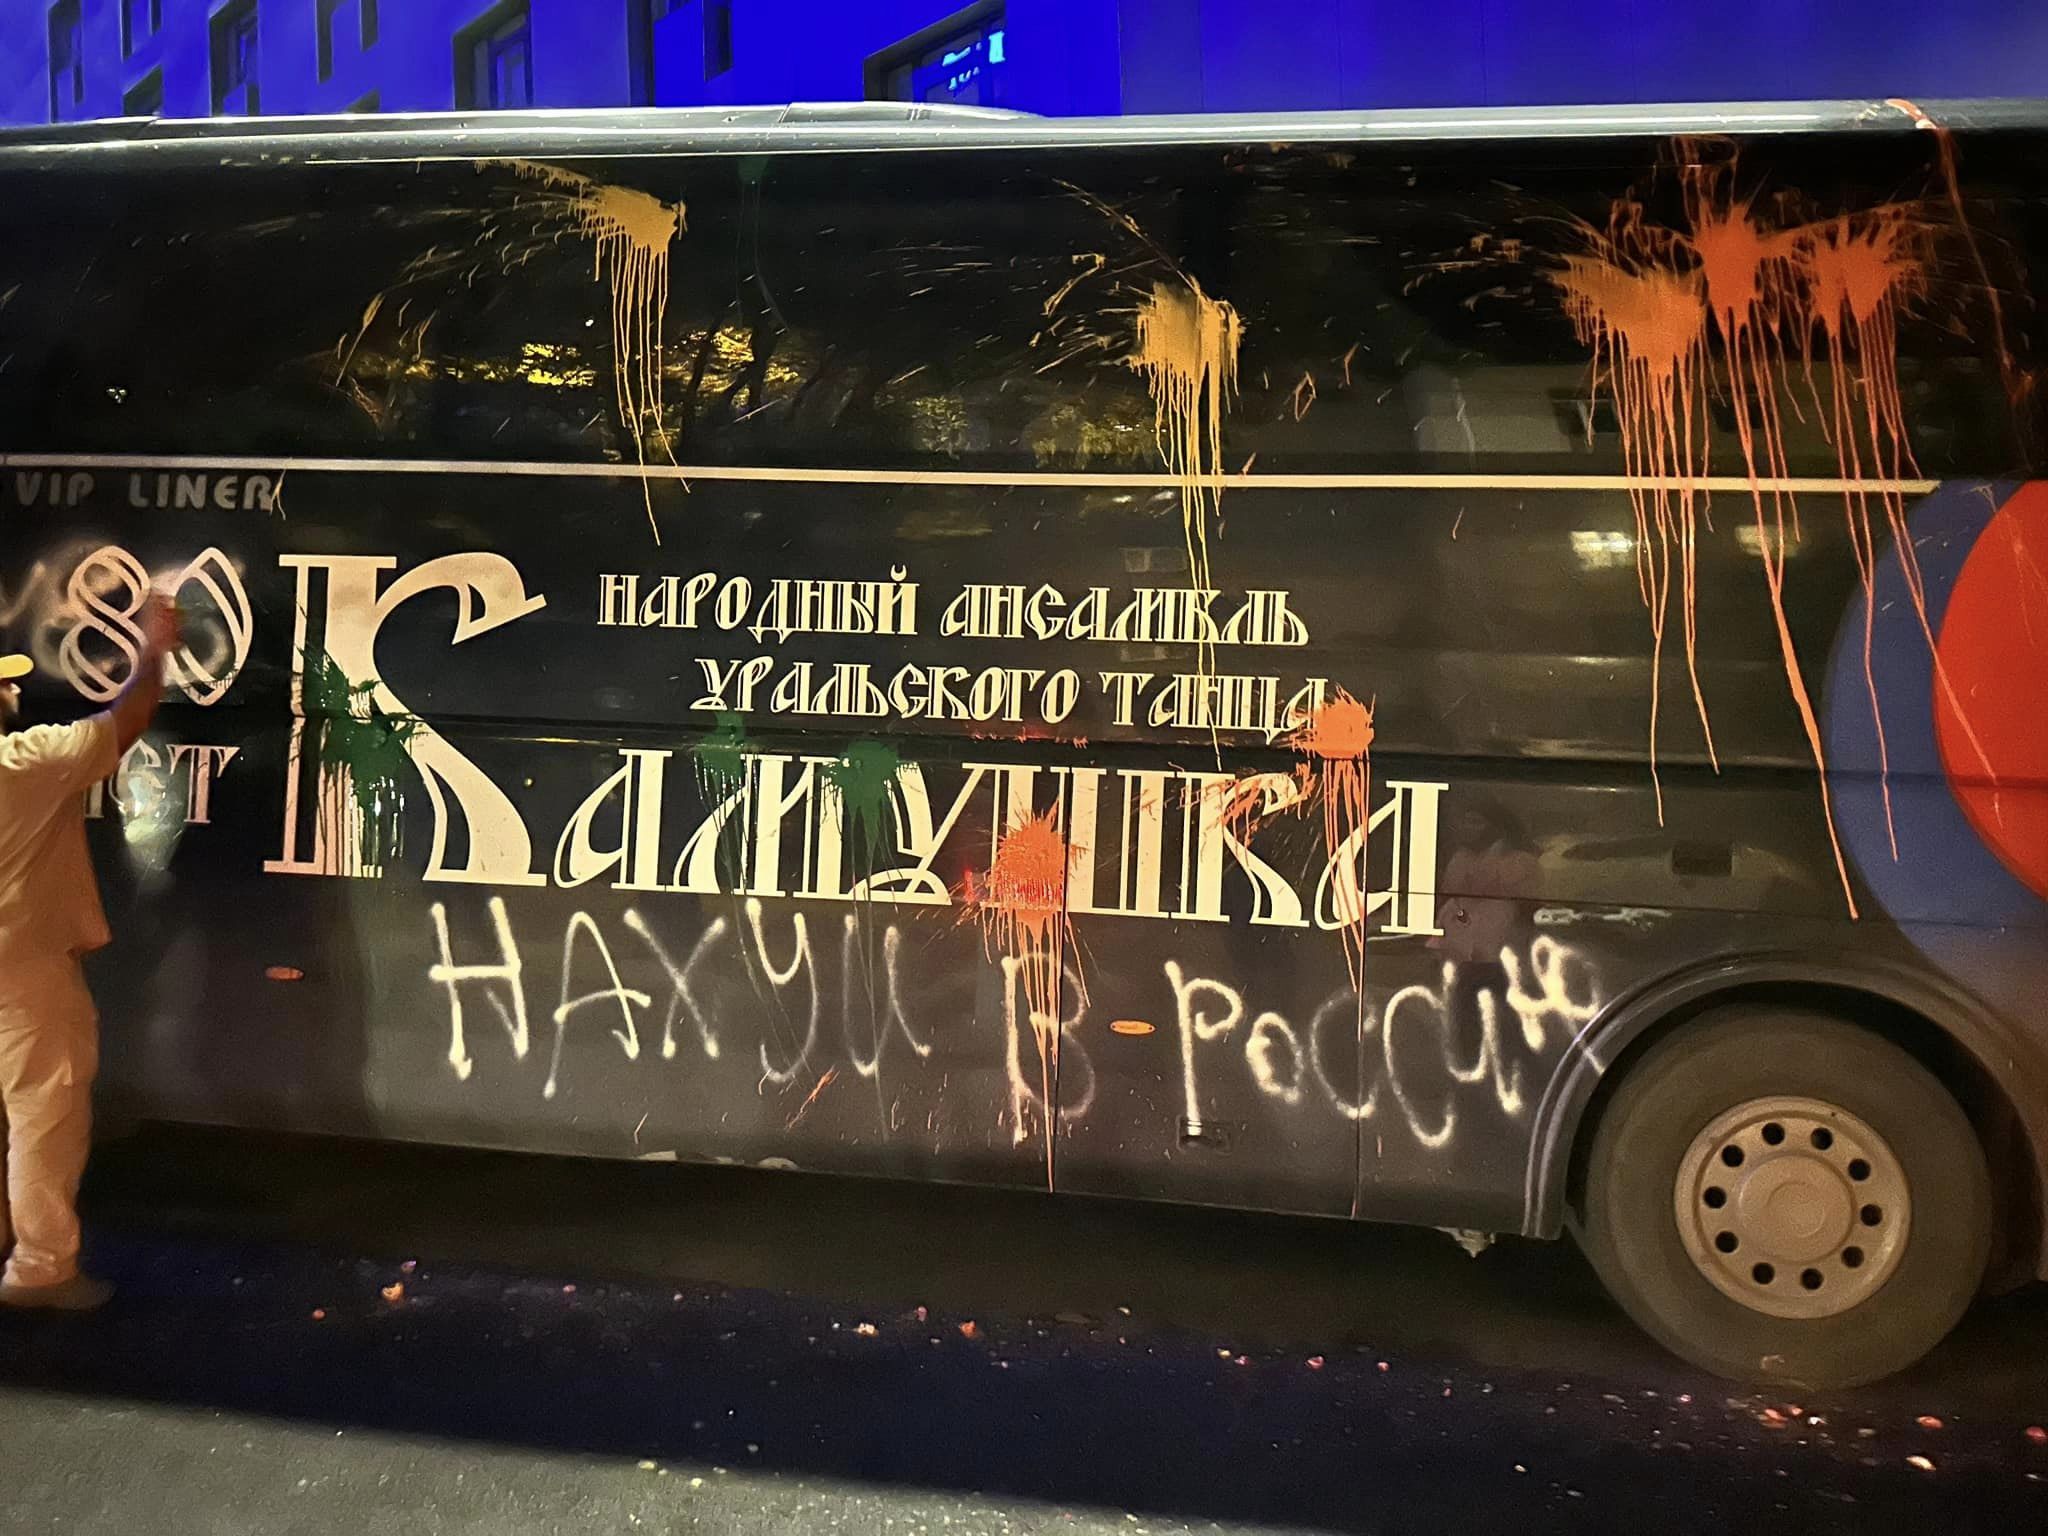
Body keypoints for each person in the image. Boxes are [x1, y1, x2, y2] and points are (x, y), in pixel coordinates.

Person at [0, 593, 179, 1310]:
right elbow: (127, 720)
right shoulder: (26, 762)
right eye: (3, 684)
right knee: (44, 1116)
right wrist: (154, 648)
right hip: (23, 971)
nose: (15, 692)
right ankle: (41, 1270)